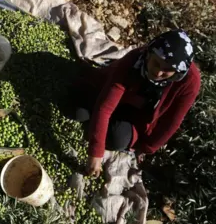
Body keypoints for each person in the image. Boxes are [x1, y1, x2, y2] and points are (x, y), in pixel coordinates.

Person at [70, 30, 200, 177]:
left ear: (177, 72)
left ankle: (99, 126)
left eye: (167, 70)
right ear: (149, 53)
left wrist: (146, 147)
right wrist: (95, 153)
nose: (158, 73)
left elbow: (171, 122)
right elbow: (105, 107)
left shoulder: (189, 83)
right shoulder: (134, 60)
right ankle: (96, 123)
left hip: (137, 116)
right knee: (77, 110)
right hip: (115, 97)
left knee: (117, 139)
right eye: (156, 63)